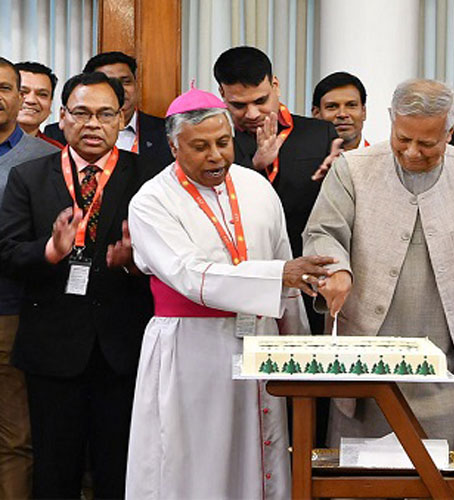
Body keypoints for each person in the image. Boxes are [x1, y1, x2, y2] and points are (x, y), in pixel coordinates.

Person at [125, 85, 335, 499]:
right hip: (190, 351)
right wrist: (279, 276)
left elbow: (287, 275)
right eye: (200, 146)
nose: (216, 155)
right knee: (194, 460)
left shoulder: (256, 187)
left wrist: (301, 354)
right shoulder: (152, 201)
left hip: (259, 340)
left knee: (259, 453)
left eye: (223, 143)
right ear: (173, 147)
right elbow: (190, 275)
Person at [303, 78, 454, 449]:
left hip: (448, 367)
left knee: (443, 477)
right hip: (364, 360)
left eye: (427, 143)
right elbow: (323, 232)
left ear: (451, 131)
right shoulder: (352, 169)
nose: (412, 152)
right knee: (358, 479)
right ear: (390, 119)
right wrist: (336, 268)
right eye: (403, 139)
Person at [0, 71, 153, 498]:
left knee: (118, 466)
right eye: (81, 113)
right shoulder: (29, 176)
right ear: (62, 117)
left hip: (123, 344)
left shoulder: (149, 177)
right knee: (54, 468)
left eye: (106, 114)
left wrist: (135, 264)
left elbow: (171, 255)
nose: (93, 124)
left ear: (121, 119)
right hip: (52, 345)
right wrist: (49, 250)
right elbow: (8, 253)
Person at [214, 46, 340, 336]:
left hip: (309, 275)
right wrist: (256, 165)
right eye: (239, 105)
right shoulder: (218, 143)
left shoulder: (319, 134)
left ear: (275, 85)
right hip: (244, 282)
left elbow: (335, 208)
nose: (253, 113)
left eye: (261, 100)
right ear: (222, 95)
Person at [0, 56, 59, 500]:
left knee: (15, 436)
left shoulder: (46, 160)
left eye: (5, 87)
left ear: (21, 97)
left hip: (12, 311)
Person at [44, 51, 174, 170]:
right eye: (108, 82)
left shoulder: (166, 132)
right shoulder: (56, 133)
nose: (119, 89)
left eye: (126, 82)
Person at [312, 71, 368, 150]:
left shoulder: (386, 160)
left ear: (363, 112)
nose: (342, 114)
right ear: (316, 113)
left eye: (351, 105)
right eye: (332, 106)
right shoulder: (298, 160)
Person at [14, 61, 63, 148]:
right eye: (23, 92)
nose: (31, 100)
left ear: (50, 103)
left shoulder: (56, 151)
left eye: (42, 94)